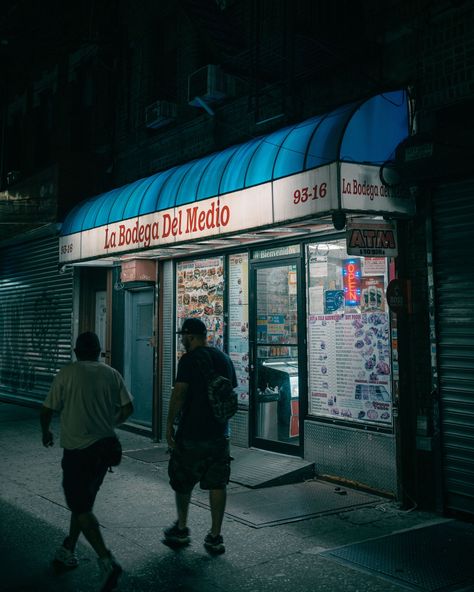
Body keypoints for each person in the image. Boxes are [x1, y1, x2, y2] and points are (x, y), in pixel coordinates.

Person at [40, 332, 133, 592]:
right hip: (105, 450)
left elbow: (46, 409)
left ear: (76, 351)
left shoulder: (67, 374)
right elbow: (127, 408)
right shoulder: (111, 373)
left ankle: (106, 560)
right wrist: (109, 423)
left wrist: (45, 431)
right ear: (99, 351)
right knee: (84, 501)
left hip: (78, 452)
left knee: (80, 505)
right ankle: (68, 548)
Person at [164, 317, 236, 554]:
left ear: (190, 336)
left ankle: (182, 529)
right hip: (219, 433)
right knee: (218, 484)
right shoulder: (223, 358)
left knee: (183, 481)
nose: (182, 341)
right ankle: (215, 536)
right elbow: (230, 391)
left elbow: (179, 394)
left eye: (183, 336)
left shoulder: (188, 360)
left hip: (192, 433)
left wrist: (169, 425)